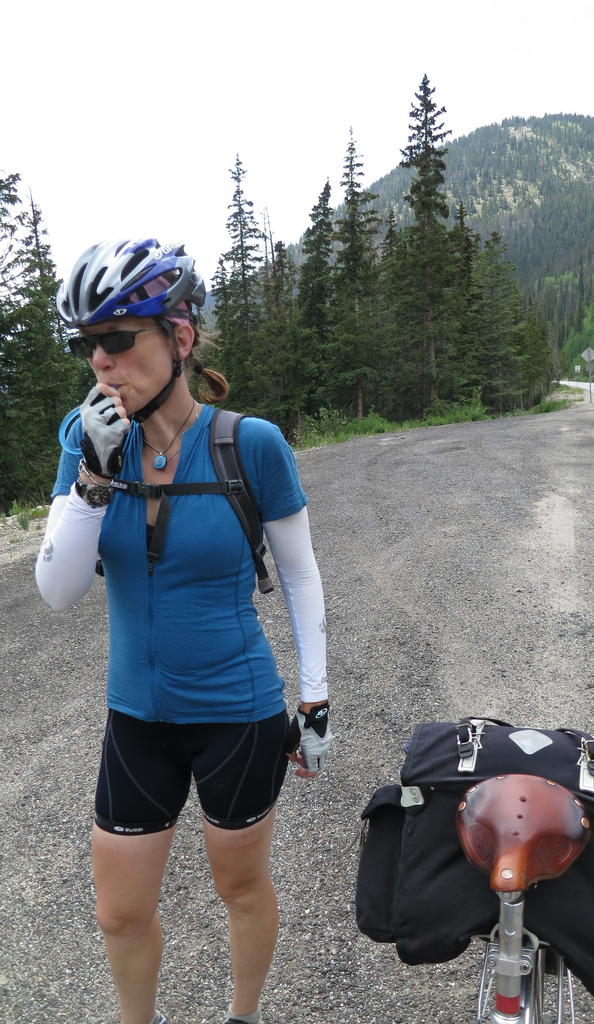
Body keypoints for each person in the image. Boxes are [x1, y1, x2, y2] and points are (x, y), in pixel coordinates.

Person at [36, 238, 332, 1024]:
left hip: (238, 714)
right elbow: (58, 592)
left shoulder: (249, 444)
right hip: (137, 717)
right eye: (86, 345)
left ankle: (243, 1016)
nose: (100, 362)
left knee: (240, 887)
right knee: (118, 912)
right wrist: (93, 476)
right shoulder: (84, 438)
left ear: (181, 338)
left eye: (116, 338)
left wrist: (315, 699)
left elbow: (300, 575)